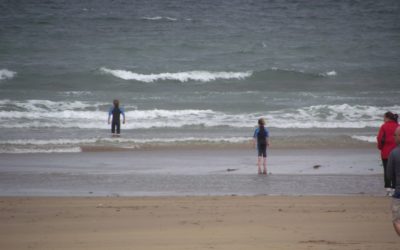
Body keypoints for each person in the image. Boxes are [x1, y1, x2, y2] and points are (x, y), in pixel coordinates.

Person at [377, 111, 399, 195]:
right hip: (397, 152)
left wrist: (380, 147)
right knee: (396, 170)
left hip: (386, 152)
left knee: (387, 170)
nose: (383, 119)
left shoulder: (384, 126)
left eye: (384, 117)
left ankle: (388, 189)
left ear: (387, 118)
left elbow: (379, 138)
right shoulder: (398, 126)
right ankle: (394, 188)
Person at [387, 126, 400, 236]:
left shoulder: (394, 153)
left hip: (399, 193)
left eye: (395, 135)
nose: (394, 137)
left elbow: (389, 175)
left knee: (396, 220)